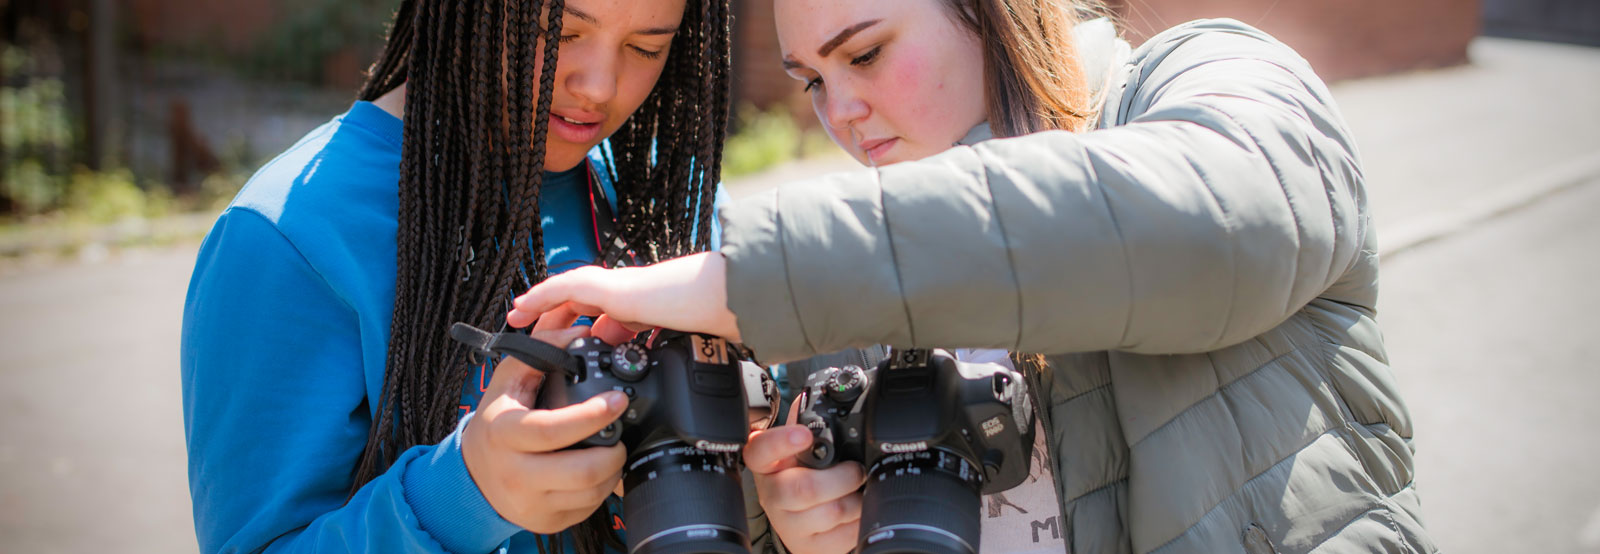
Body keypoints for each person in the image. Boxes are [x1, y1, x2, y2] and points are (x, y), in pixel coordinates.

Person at [506, 0, 1437, 552]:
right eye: (812, 80)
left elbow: (1224, 227)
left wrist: (750, 278)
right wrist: (800, 528)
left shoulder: (1209, 82)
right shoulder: (847, 306)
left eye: (865, 53)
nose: (842, 111)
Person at [179, 0, 732, 552]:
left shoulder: (672, 194)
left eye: (646, 47)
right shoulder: (290, 236)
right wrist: (465, 494)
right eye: (558, 31)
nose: (599, 87)